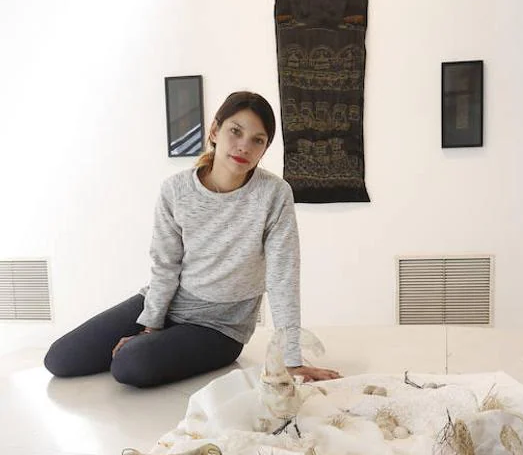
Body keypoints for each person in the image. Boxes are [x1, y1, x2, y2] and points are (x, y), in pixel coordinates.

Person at [44, 91, 341, 388]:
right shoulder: (175, 190)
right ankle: (155, 344)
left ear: (264, 149)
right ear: (215, 131)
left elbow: (282, 278)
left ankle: (151, 351)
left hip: (220, 328)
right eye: (235, 132)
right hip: (168, 303)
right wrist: (151, 326)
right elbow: (165, 264)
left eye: (257, 140)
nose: (243, 146)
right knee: (60, 359)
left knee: (129, 365)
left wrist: (291, 359)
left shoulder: (274, 194)